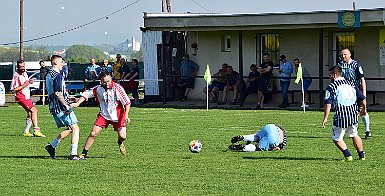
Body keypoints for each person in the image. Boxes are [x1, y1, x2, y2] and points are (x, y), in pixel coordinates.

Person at [70, 72, 131, 160]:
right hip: (104, 115)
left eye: (108, 81)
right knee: (93, 133)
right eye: (104, 82)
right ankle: (83, 154)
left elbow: (127, 102)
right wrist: (77, 103)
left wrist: (126, 115)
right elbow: (85, 94)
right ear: (101, 82)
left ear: (111, 79)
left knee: (123, 136)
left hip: (118, 115)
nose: (107, 84)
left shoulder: (117, 88)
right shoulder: (98, 89)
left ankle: (120, 143)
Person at [322, 65, 366, 161]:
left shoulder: (331, 87)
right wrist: (363, 109)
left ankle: (348, 156)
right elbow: (362, 98)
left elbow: (328, 104)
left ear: (334, 75)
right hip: (353, 114)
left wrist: (325, 118)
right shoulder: (352, 84)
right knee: (354, 134)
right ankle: (362, 156)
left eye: (330, 75)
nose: (330, 77)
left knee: (337, 138)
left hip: (341, 115)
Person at [45, 55, 81, 160]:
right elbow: (57, 93)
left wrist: (69, 98)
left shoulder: (49, 74)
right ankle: (73, 154)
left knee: (70, 128)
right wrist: (66, 105)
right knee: (75, 128)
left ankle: (51, 146)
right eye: (61, 62)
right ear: (55, 62)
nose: (63, 64)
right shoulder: (57, 75)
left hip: (54, 107)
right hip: (60, 107)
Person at [338, 48, 371, 139]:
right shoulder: (340, 65)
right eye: (342, 54)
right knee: (349, 111)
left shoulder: (356, 65)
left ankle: (367, 130)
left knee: (362, 110)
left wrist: (363, 93)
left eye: (345, 54)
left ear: (350, 55)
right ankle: (353, 131)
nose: (343, 56)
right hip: (346, 92)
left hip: (356, 90)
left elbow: (362, 79)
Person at [11, 59, 46, 137]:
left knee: (30, 113)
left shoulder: (25, 73)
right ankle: (36, 130)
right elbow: (13, 89)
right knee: (34, 110)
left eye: (23, 66)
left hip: (26, 96)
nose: (22, 68)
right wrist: (25, 84)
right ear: (17, 67)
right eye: (20, 67)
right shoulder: (16, 75)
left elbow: (26, 83)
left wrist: (29, 81)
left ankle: (26, 131)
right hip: (21, 96)